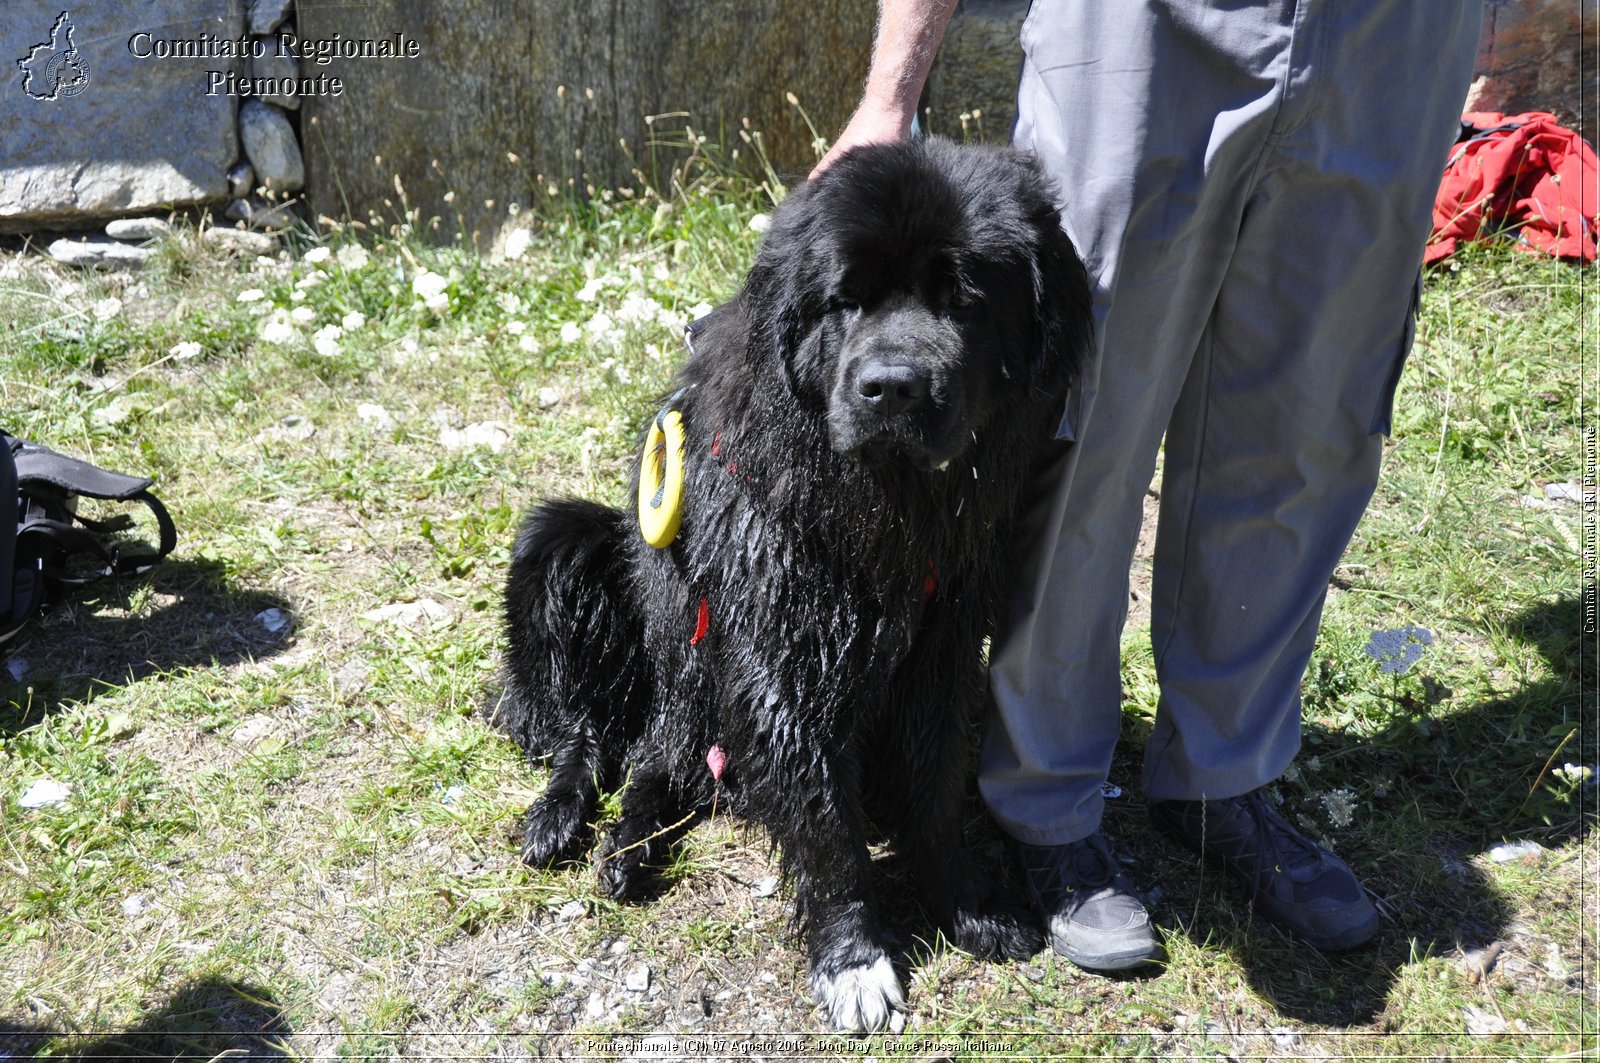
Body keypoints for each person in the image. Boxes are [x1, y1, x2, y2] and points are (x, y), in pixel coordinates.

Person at [816, 0, 1483, 970]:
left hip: (1393, 31)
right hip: (1145, 24)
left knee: (1309, 417)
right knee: (1077, 411)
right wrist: (890, 93)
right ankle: (1042, 797)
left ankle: (1224, 772)